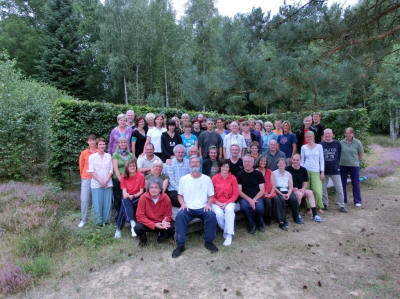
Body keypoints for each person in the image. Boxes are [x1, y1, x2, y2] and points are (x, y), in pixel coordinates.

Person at [172, 156, 218, 258]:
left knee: (211, 215)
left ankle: (208, 242)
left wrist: (209, 204)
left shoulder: (206, 179)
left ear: (200, 165)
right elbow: (180, 195)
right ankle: (180, 245)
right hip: (188, 208)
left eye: (197, 162)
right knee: (180, 216)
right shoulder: (184, 179)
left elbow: (211, 195)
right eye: (193, 162)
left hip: (203, 207)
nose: (195, 164)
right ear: (189, 165)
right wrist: (183, 204)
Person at [135, 177, 173, 246]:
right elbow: (140, 216)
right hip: (148, 223)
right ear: (148, 189)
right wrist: (154, 224)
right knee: (137, 228)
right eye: (151, 187)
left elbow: (168, 214)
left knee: (171, 228)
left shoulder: (165, 198)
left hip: (161, 222)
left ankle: (161, 236)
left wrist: (165, 221)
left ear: (160, 189)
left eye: (156, 187)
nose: (154, 189)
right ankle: (143, 240)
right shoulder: (143, 197)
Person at [114, 159, 145, 239]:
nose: (132, 167)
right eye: (130, 166)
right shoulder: (123, 177)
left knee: (124, 203)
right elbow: (124, 192)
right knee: (125, 201)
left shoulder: (141, 176)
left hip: (137, 197)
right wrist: (127, 195)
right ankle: (132, 223)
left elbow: (141, 191)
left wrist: (134, 196)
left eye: (134, 166)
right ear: (127, 167)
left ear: (136, 167)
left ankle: (119, 228)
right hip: (128, 197)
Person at [286, 154, 322, 222]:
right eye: (294, 160)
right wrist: (292, 188)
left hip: (300, 189)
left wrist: (303, 189)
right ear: (291, 160)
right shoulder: (288, 169)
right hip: (291, 189)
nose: (295, 161)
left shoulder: (303, 169)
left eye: (297, 160)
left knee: (310, 192)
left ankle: (315, 214)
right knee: (299, 194)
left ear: (300, 160)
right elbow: (285, 182)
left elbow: (305, 183)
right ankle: (296, 214)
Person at [212, 159, 239, 246]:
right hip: (216, 202)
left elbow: (236, 194)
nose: (225, 168)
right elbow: (210, 194)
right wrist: (217, 202)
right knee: (218, 214)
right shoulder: (215, 178)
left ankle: (229, 235)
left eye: (227, 166)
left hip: (229, 202)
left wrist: (226, 203)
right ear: (220, 167)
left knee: (230, 211)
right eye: (223, 166)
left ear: (229, 168)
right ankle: (226, 230)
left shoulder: (233, 178)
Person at [237, 155, 266, 234]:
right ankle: (252, 225)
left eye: (249, 162)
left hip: (257, 197)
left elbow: (262, 190)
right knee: (245, 207)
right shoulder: (239, 174)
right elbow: (239, 191)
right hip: (245, 198)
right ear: (243, 163)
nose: (247, 164)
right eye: (245, 162)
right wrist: (250, 200)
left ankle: (260, 223)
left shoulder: (258, 174)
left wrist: (253, 200)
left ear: (253, 163)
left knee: (259, 209)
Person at [271, 158, 302, 231]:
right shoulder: (273, 173)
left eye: (283, 163)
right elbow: (273, 186)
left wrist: (288, 194)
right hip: (278, 191)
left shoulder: (288, 174)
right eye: (280, 163)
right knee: (281, 199)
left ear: (285, 164)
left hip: (287, 190)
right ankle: (283, 220)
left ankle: (296, 218)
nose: (281, 164)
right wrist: (281, 194)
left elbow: (291, 187)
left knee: (294, 199)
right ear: (277, 164)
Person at [88, 137, 113, 225]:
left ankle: (106, 221)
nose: (102, 146)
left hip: (108, 183)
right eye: (100, 144)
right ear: (97, 146)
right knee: (97, 204)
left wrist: (106, 181)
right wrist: (100, 181)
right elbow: (91, 171)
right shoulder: (92, 157)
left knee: (107, 204)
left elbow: (111, 170)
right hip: (96, 184)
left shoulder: (109, 156)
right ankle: (97, 222)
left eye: (103, 144)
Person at [321, 129, 347, 212]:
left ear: (332, 134)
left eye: (329, 134)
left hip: (335, 169)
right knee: (323, 188)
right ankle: (325, 204)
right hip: (324, 170)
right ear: (323, 135)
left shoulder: (337, 143)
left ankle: (341, 205)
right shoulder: (320, 144)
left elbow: (339, 155)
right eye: (326, 134)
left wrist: (337, 165)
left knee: (339, 188)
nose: (327, 135)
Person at [300, 131, 325, 211]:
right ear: (305, 138)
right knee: (308, 190)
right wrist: (302, 172)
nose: (309, 138)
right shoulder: (303, 147)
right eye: (307, 137)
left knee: (317, 190)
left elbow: (322, 160)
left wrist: (322, 171)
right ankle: (310, 207)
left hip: (316, 171)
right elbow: (302, 160)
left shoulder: (319, 146)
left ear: (313, 137)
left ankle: (319, 206)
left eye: (310, 136)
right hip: (306, 170)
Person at [340, 127, 364, 207]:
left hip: (354, 166)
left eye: (350, 133)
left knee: (355, 183)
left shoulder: (357, 142)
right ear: (345, 134)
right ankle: (343, 200)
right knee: (342, 183)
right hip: (342, 165)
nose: (348, 135)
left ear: (353, 134)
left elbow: (360, 154)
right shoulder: (341, 142)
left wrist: (356, 161)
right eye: (346, 133)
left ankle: (357, 201)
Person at [78, 134, 97, 228]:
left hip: (97, 179)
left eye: (93, 140)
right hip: (86, 179)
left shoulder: (99, 151)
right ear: (87, 142)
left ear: (96, 141)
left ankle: (95, 220)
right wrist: (84, 176)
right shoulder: (84, 153)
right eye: (90, 140)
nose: (92, 142)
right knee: (84, 200)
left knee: (95, 200)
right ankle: (83, 219)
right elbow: (81, 167)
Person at [112, 137, 134, 215]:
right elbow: (115, 169)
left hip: (129, 179)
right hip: (118, 179)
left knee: (127, 197)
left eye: (124, 142)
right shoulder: (115, 155)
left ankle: (127, 214)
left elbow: (133, 167)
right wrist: (121, 180)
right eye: (121, 142)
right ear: (118, 144)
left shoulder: (131, 155)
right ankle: (119, 215)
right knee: (118, 197)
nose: (123, 144)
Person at [255, 156, 274, 225]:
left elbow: (273, 185)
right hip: (260, 193)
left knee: (276, 198)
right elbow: (255, 186)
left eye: (264, 161)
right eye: (261, 161)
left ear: (266, 163)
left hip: (269, 192)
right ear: (258, 162)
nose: (263, 162)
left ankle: (277, 218)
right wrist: (263, 193)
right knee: (268, 201)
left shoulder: (269, 171)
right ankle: (266, 219)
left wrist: (270, 194)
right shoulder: (256, 171)